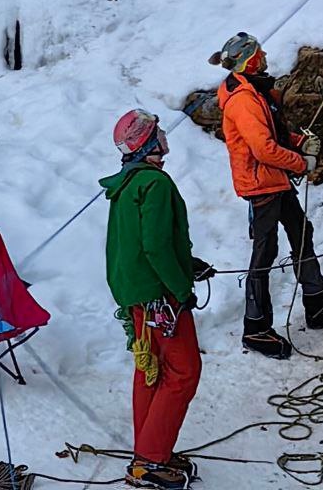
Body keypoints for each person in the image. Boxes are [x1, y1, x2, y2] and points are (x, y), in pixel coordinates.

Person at [212, 31, 323, 360]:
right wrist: (300, 161)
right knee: (265, 253)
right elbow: (263, 148)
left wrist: (296, 142)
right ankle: (256, 328)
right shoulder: (245, 100)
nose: (264, 54)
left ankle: (317, 302)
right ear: (249, 60)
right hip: (262, 184)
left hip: (272, 180)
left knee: (301, 233)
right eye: (258, 51)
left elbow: (272, 135)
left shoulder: (253, 90)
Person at [101, 109, 214, 490]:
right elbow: (155, 246)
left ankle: (150, 450)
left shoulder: (126, 184)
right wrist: (181, 288)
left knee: (150, 370)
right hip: (160, 297)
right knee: (183, 373)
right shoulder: (155, 183)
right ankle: (150, 461)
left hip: (137, 295)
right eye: (158, 134)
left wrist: (187, 264)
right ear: (147, 142)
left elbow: (137, 242)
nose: (164, 138)